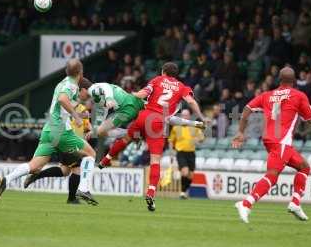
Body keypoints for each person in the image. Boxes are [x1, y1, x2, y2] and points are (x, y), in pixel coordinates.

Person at [99, 62, 207, 211]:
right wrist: (200, 117)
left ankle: (105, 160)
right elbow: (191, 101)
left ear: (163, 72)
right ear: (176, 74)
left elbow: (142, 94)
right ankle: (150, 192)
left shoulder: (157, 80)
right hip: (158, 122)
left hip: (145, 116)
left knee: (126, 138)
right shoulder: (182, 87)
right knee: (155, 160)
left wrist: (133, 94)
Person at [0, 59, 97, 204]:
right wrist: (76, 116)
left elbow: (61, 104)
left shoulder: (62, 83)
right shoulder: (72, 85)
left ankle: (6, 179)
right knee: (91, 154)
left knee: (34, 166)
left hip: (49, 130)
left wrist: (78, 114)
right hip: (61, 131)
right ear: (80, 72)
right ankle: (83, 189)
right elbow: (62, 99)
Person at [232, 67, 311, 223]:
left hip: (270, 140)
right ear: (295, 80)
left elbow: (246, 109)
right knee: (272, 175)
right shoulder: (299, 95)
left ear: (279, 79)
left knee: (304, 166)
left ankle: (295, 203)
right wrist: (306, 121)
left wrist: (240, 132)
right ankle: (245, 204)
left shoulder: (267, 95)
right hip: (282, 141)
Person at [23, 78, 94, 205]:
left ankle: (37, 176)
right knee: (77, 168)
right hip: (65, 139)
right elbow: (66, 110)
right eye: (88, 95)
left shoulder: (82, 109)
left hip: (71, 140)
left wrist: (89, 130)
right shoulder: (70, 102)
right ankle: (72, 199)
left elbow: (87, 126)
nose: (89, 99)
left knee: (65, 171)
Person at [169, 109, 205, 199]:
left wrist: (198, 139)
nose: (185, 117)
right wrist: (171, 153)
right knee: (185, 172)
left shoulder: (194, 126)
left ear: (189, 116)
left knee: (190, 175)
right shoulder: (176, 127)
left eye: (187, 115)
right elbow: (170, 140)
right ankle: (182, 192)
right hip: (181, 152)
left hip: (191, 153)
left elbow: (201, 138)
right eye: (183, 115)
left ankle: (184, 192)